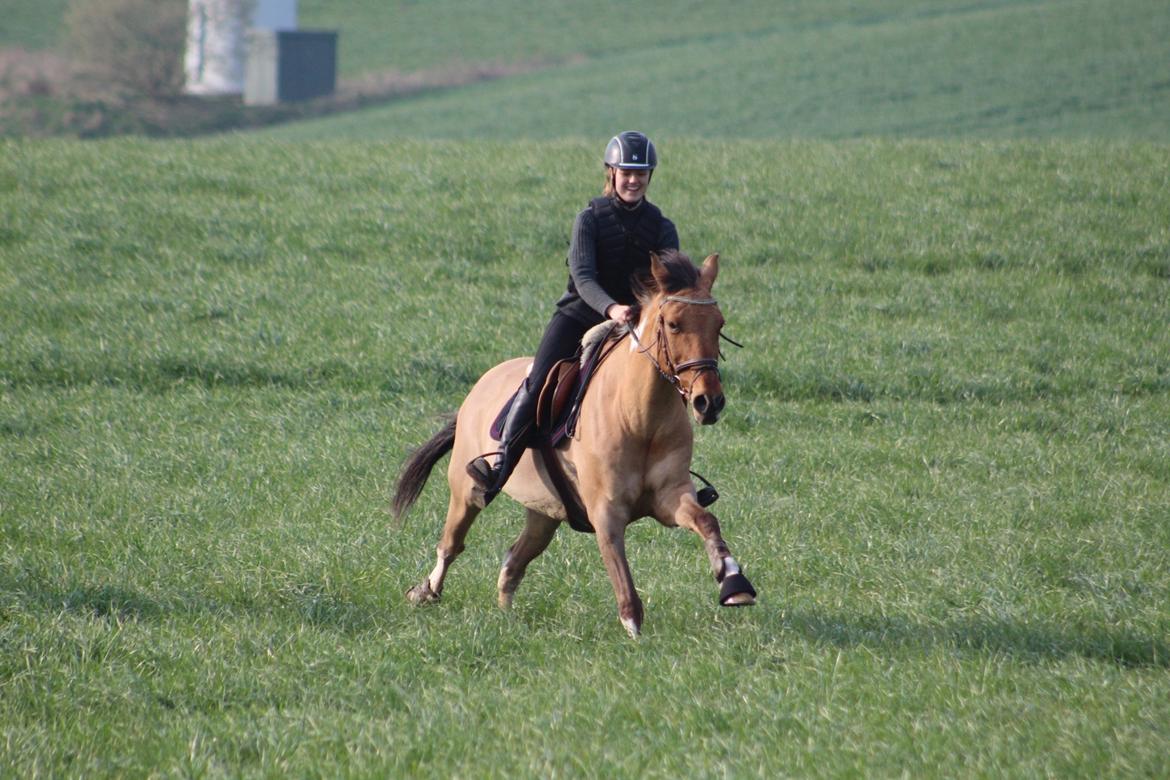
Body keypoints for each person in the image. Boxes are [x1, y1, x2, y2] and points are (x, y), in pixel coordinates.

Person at [467, 130, 680, 505]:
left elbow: (669, 284)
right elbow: (583, 277)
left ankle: (677, 476)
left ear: (650, 176)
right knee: (537, 383)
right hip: (581, 314)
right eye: (626, 172)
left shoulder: (662, 228)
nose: (633, 180)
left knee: (676, 378)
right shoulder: (590, 219)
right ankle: (499, 467)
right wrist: (611, 308)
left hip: (637, 323)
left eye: (641, 173)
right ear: (611, 172)